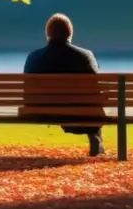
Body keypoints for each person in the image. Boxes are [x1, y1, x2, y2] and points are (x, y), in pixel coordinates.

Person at [23, 13, 107, 156]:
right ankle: (95, 137)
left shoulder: (33, 57)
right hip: (80, 113)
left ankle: (95, 136)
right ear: (70, 34)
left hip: (39, 111)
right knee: (92, 105)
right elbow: (98, 88)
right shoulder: (85, 56)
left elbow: (27, 91)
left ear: (48, 34)